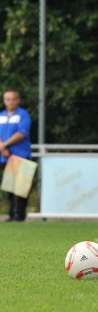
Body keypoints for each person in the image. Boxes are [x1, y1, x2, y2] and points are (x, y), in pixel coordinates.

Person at [0, 90, 33, 222]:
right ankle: (11, 214)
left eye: (13, 99)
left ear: (18, 100)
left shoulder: (23, 115)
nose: (10, 102)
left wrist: (5, 144)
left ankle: (20, 215)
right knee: (9, 186)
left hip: (21, 155)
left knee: (21, 187)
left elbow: (22, 133)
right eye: (7, 99)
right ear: (4, 101)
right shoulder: (1, 115)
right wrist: (2, 148)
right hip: (5, 156)